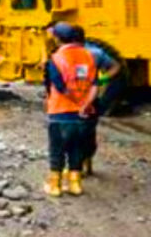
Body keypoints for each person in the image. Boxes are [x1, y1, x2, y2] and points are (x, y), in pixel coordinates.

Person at [43, 22, 99, 197]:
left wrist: (74, 101)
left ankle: (55, 185)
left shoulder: (56, 59)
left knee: (57, 149)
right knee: (76, 148)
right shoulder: (89, 57)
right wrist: (84, 104)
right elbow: (95, 85)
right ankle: (75, 184)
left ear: (58, 39)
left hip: (60, 111)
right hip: (83, 114)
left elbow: (58, 87)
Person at [74, 27, 122, 177]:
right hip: (88, 98)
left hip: (79, 99)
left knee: (78, 132)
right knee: (87, 132)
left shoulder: (83, 54)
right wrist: (102, 79)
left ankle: (80, 166)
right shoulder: (95, 52)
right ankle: (87, 164)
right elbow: (115, 66)